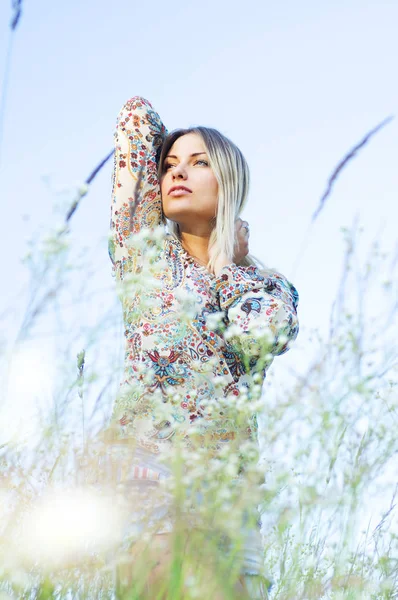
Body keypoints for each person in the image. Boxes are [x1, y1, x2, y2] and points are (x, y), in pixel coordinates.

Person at [106, 96, 299, 599]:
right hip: (150, 467)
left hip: (228, 488)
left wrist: (230, 267)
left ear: (229, 181)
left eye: (198, 163)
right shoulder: (143, 251)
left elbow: (264, 334)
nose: (177, 174)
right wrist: (176, 146)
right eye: (169, 165)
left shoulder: (267, 283)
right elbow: (136, 118)